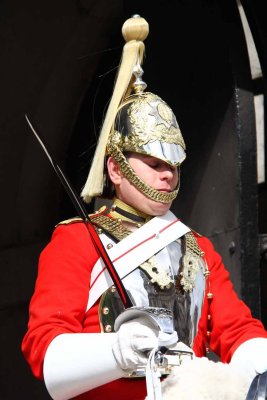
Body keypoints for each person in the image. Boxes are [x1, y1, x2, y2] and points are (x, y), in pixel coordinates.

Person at [22, 15, 267, 400]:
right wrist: (117, 351)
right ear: (116, 169)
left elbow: (237, 331)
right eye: (154, 165)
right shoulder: (77, 240)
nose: (167, 176)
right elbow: (45, 350)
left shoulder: (198, 248)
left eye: (172, 166)